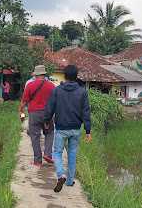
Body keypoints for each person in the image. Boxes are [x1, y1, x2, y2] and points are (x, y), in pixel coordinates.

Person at [44, 65, 91, 193]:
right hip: (76, 129)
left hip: (61, 128)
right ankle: (70, 181)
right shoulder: (83, 92)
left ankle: (61, 175)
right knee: (72, 154)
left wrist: (46, 121)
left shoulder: (57, 90)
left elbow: (50, 108)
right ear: (76, 76)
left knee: (57, 153)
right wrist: (88, 130)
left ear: (65, 76)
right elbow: (86, 112)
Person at [19, 65, 56, 167]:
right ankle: (48, 154)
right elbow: (55, 101)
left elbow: (24, 101)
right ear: (44, 74)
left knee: (34, 136)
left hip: (34, 114)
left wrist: (21, 112)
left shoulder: (30, 85)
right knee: (50, 133)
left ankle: (37, 161)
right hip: (47, 114)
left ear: (35, 75)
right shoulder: (51, 86)